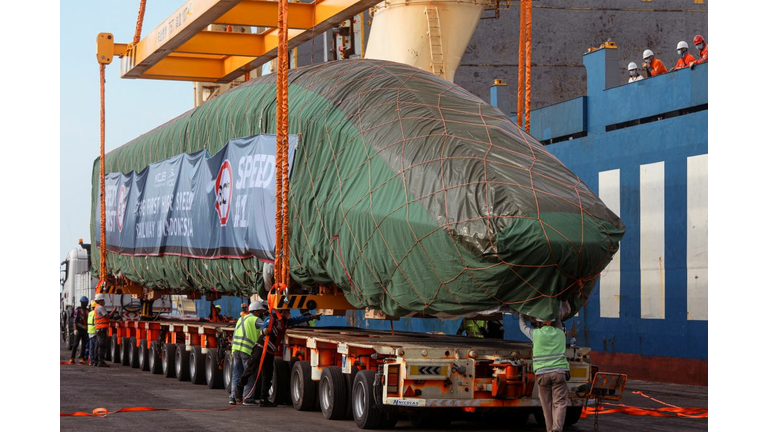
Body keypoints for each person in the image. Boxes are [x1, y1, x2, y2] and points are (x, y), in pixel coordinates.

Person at [235, 307, 319, 407]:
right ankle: (238, 389)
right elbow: (266, 324)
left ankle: (263, 398)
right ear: (281, 312)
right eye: (287, 311)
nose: (289, 313)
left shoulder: (286, 322)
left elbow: (298, 319)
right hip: (261, 348)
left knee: (268, 375)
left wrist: (312, 317)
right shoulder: (272, 318)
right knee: (251, 369)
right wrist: (265, 330)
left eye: (289, 311)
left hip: (270, 352)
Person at [519, 312, 570, 432]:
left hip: (542, 374)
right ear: (552, 321)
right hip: (559, 373)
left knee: (546, 405)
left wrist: (521, 314)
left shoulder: (535, 334)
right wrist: (556, 309)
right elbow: (558, 322)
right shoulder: (561, 333)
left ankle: (549, 429)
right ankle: (557, 429)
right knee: (560, 403)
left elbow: (522, 327)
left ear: (538, 322)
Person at [229, 300, 268, 405]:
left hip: (236, 349)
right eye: (260, 312)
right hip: (246, 350)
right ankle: (247, 398)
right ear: (255, 311)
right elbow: (266, 325)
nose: (261, 314)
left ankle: (233, 397)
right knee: (249, 374)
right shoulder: (255, 319)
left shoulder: (241, 319)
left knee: (236, 375)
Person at [93, 293, 117, 367]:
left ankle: (96, 361)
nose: (104, 301)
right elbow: (108, 317)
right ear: (100, 301)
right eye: (103, 300)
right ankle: (101, 361)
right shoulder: (100, 307)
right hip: (101, 330)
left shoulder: (96, 307)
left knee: (97, 346)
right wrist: (114, 310)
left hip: (98, 329)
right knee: (102, 346)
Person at [70, 296, 90, 364]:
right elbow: (75, 321)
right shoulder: (78, 310)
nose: (86, 303)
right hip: (78, 330)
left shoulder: (88, 310)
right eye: (85, 302)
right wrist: (75, 329)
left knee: (84, 345)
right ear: (82, 302)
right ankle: (72, 358)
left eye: (86, 302)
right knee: (75, 344)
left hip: (85, 330)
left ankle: (82, 357)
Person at [87, 301, 98, 366]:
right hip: (95, 331)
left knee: (91, 348)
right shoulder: (95, 313)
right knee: (96, 348)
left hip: (90, 332)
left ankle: (91, 361)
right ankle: (95, 361)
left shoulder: (90, 313)